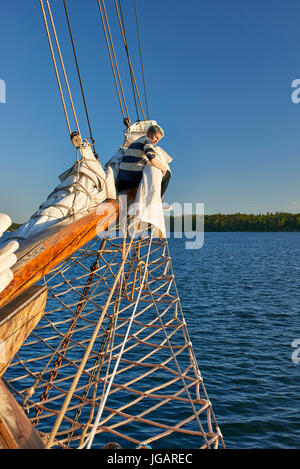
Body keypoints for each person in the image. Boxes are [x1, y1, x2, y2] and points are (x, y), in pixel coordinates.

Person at [117, 124, 171, 198]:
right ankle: (159, 200)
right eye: (156, 137)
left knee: (123, 207)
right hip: (133, 179)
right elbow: (152, 159)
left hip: (122, 180)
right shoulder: (148, 141)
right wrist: (163, 168)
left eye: (158, 139)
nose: (156, 140)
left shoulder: (134, 143)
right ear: (149, 133)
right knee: (167, 174)